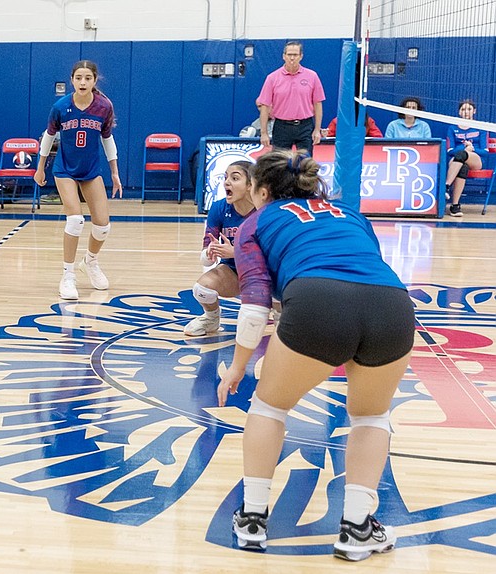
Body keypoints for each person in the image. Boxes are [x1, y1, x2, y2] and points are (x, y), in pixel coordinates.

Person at [217, 150, 412, 561]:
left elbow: (254, 304)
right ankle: (358, 529)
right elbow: (360, 266)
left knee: (269, 408)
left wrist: (236, 367)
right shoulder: (350, 213)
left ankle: (252, 521)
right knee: (371, 417)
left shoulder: (257, 221)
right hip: (392, 305)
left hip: (319, 302)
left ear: (262, 190)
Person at [33, 60, 122, 301]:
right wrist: (40, 168)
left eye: (88, 78)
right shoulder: (61, 107)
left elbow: (107, 139)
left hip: (91, 170)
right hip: (65, 170)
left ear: (95, 81)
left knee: (103, 226)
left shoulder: (104, 106)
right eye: (78, 78)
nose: (83, 82)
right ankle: (68, 275)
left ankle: (90, 262)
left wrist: (114, 172)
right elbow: (48, 138)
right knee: (75, 220)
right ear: (72, 80)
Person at [184, 161, 255, 336]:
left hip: (265, 273)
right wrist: (210, 253)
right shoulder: (218, 208)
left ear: (250, 185)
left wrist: (236, 252)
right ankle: (211, 317)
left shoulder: (265, 209)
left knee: (280, 294)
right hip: (233, 272)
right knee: (202, 288)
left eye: (235, 178)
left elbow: (273, 254)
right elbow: (205, 255)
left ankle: (279, 319)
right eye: (225, 177)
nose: (227, 182)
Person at [256, 41, 326, 153]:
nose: (292, 58)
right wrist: (264, 133)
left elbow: (318, 104)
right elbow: (264, 106)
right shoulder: (272, 78)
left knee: (305, 164)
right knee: (280, 164)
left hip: (305, 125)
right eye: (289, 55)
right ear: (284, 56)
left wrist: (317, 130)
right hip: (281, 127)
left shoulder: (312, 76)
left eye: (295, 55)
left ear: (301, 56)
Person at [445, 99, 489, 218]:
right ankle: (455, 206)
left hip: (476, 159)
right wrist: (464, 148)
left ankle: (446, 185)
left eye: (469, 109)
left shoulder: (481, 127)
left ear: (474, 111)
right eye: (463, 109)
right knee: (462, 166)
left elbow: (485, 152)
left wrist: (471, 149)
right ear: (459, 112)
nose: (466, 112)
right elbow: (449, 150)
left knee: (462, 154)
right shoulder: (452, 128)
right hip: (457, 158)